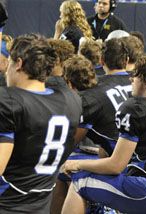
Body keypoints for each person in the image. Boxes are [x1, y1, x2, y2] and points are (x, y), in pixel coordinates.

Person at [61, 55, 146, 214]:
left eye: (136, 75)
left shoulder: (137, 108)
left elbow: (116, 166)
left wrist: (78, 164)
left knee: (79, 182)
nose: (131, 79)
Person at [0, 34, 82, 214]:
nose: (6, 71)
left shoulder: (9, 101)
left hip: (8, 202)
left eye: (10, 63)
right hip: (41, 203)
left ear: (19, 64)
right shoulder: (71, 100)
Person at [50, 55, 98, 214]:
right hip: (100, 151)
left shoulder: (84, 101)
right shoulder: (95, 93)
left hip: (96, 154)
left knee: (62, 170)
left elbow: (71, 142)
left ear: (69, 83)